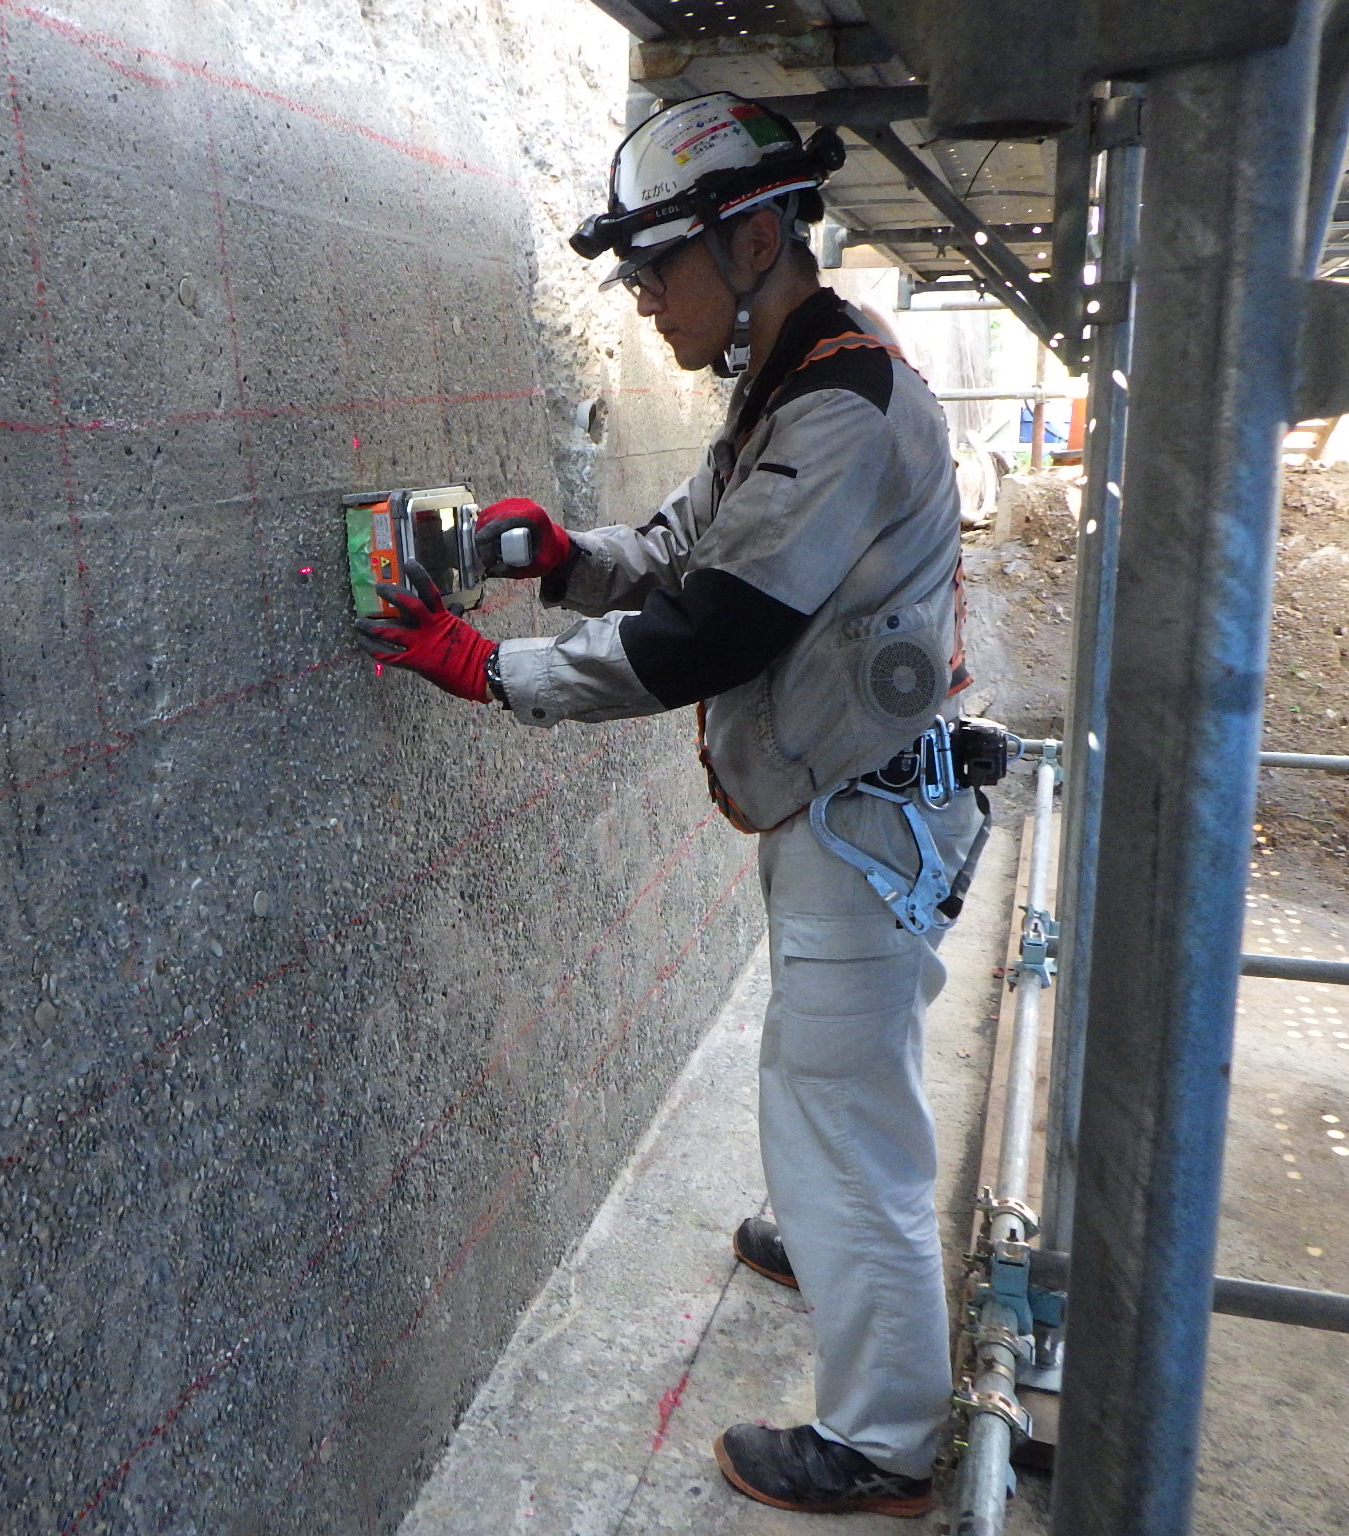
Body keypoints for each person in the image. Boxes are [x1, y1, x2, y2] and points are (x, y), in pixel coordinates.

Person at [358, 92, 984, 1518]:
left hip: (866, 816)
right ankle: (826, 1239)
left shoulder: (839, 405)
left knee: (849, 1116)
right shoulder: (793, 380)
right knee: (824, 1077)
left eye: (658, 267)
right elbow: (685, 544)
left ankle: (885, 1445)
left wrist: (498, 671)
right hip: (850, 805)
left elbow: (714, 628)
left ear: (754, 239)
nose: (644, 299)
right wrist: (561, 557)